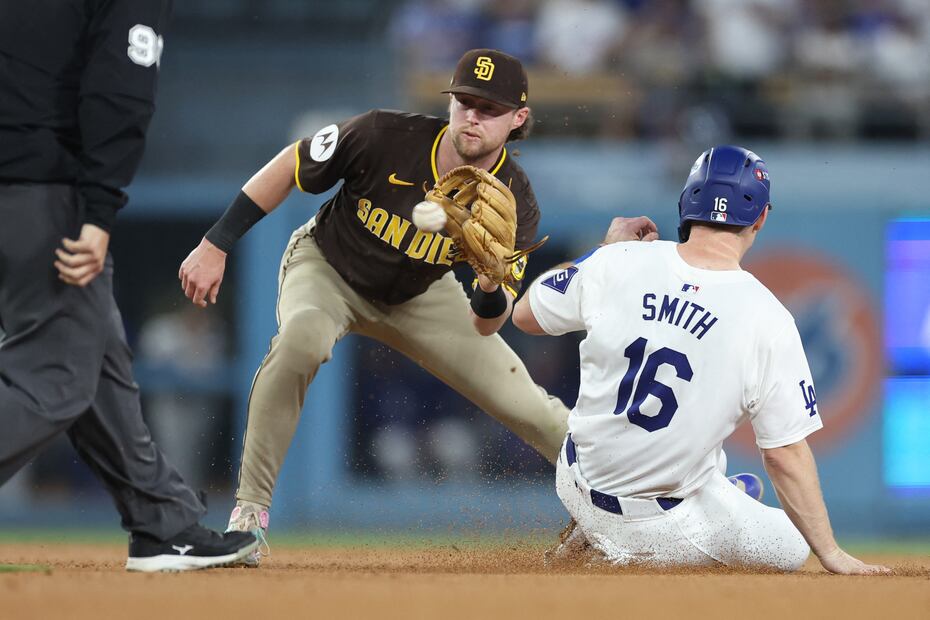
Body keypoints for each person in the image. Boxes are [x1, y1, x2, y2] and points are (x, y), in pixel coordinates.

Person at [180, 49, 631, 565]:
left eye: (490, 108)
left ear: (519, 118)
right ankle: (248, 517)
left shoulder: (515, 197)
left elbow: (488, 323)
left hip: (422, 293)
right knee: (300, 341)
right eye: (464, 102)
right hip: (328, 267)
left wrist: (487, 282)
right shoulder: (381, 134)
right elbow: (292, 162)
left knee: (536, 412)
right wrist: (216, 242)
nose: (473, 117)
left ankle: (620, 519)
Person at [513, 145, 890, 574]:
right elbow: (784, 454)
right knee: (790, 544)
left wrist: (600, 252)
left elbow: (524, 315)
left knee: (705, 456)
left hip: (573, 478)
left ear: (686, 204)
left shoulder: (616, 260)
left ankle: (653, 511)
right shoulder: (766, 316)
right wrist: (832, 554)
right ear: (761, 218)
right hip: (654, 525)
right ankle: (616, 546)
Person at [0, 0, 257, 572]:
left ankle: (163, 523)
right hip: (36, 190)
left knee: (97, 362)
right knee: (57, 376)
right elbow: (119, 92)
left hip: (15, 183)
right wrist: (98, 209)